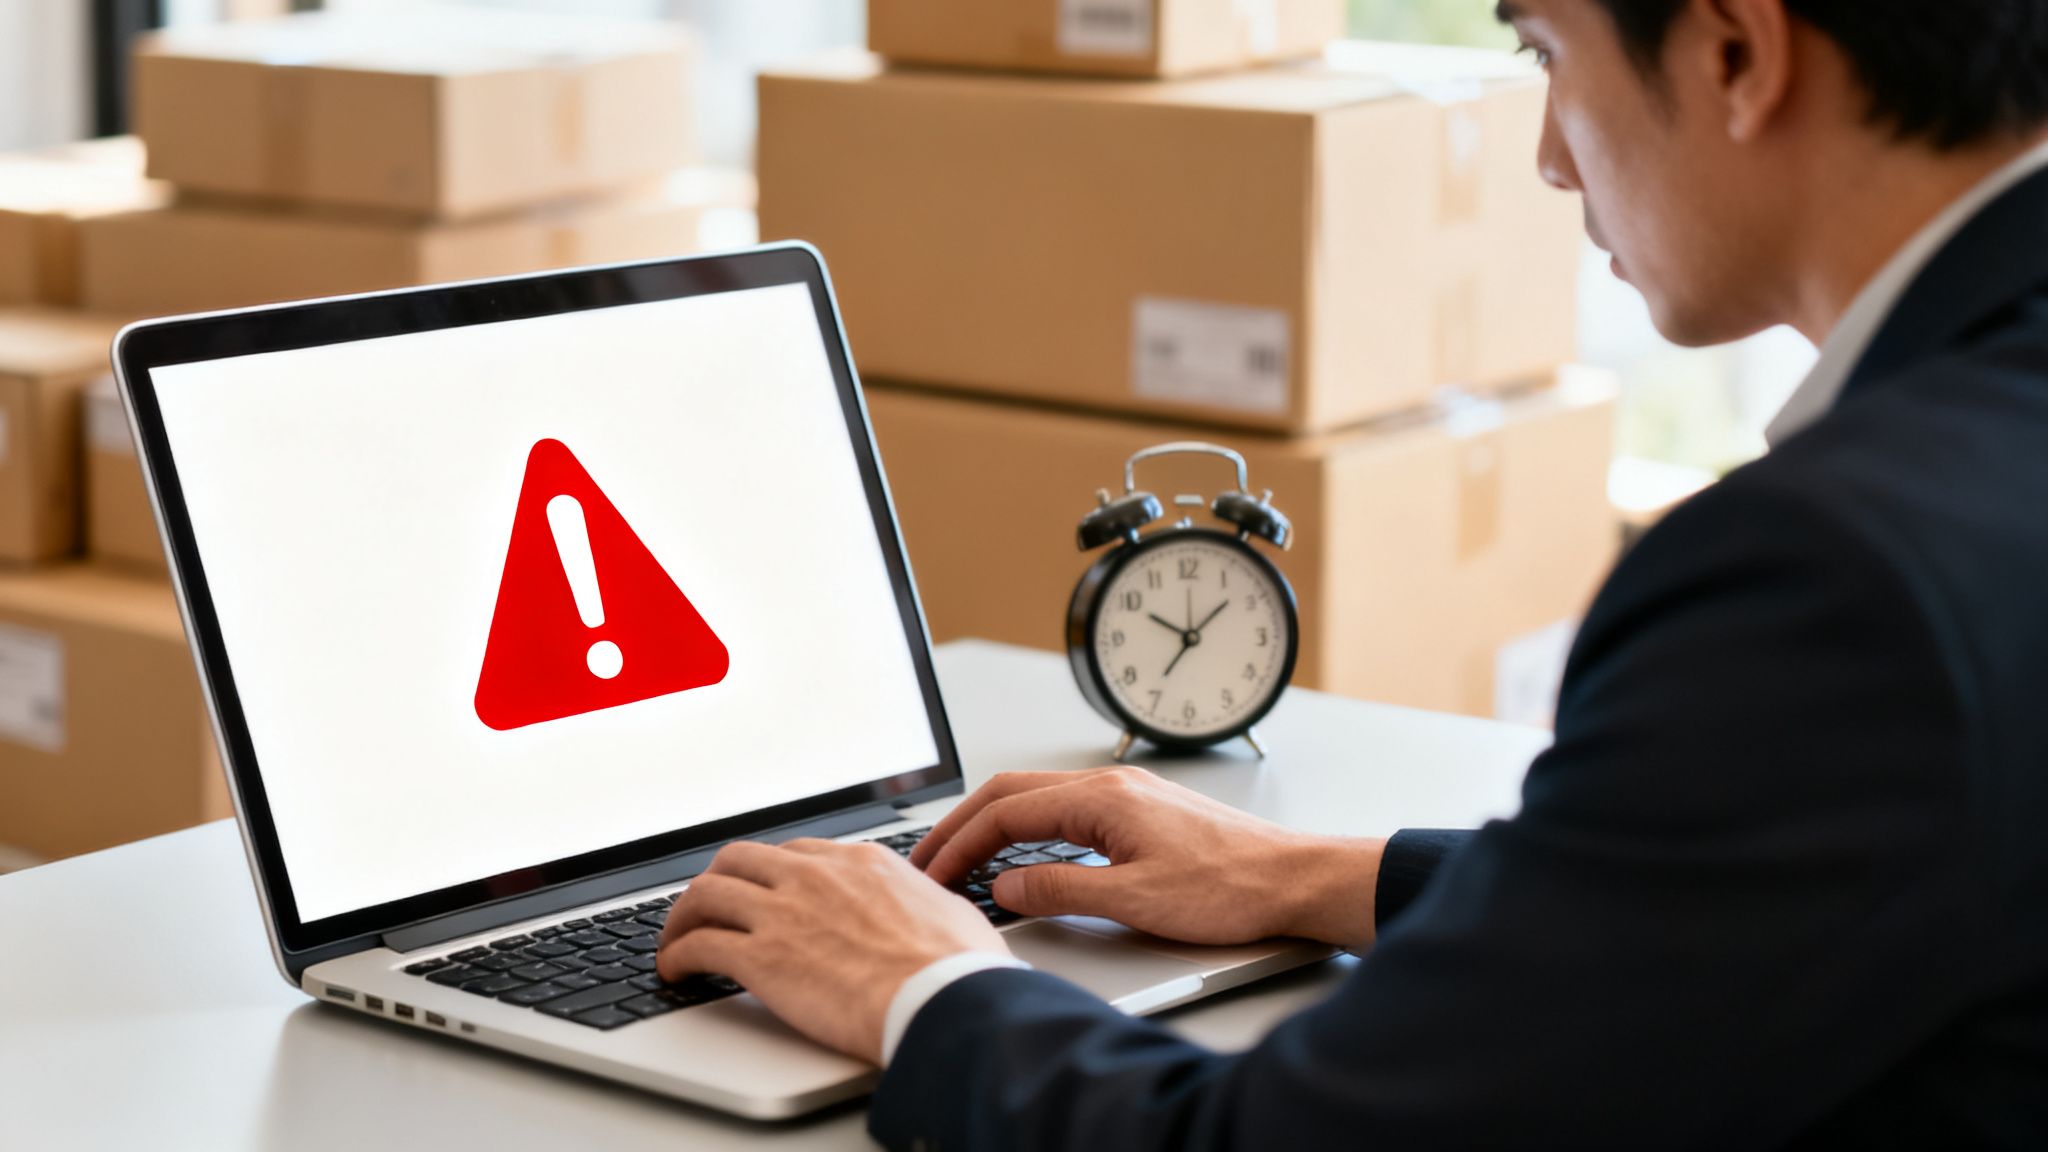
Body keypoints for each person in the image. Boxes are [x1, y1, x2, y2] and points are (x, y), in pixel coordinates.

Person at [656, 0, 2048, 1146]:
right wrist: (1319, 876)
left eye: (1547, 55)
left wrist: (922, 985)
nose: (1553, 159)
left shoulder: (1834, 576)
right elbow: (1767, 887)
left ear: (1737, 52)